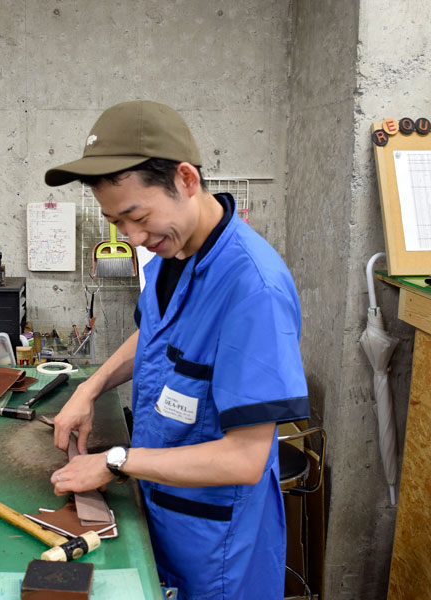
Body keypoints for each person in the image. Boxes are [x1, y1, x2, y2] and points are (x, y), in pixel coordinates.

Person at [43, 100, 309, 599]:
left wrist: (116, 460)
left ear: (186, 179)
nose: (135, 239)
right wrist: (90, 387)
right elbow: (158, 335)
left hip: (217, 544)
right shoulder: (177, 249)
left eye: (137, 216)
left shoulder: (254, 289)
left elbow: (246, 458)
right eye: (117, 223)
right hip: (163, 511)